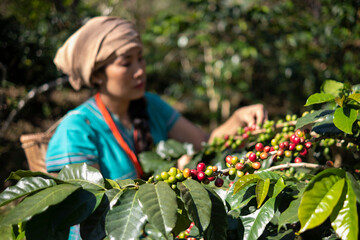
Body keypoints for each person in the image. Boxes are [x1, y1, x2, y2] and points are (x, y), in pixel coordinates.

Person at [45, 16, 267, 239]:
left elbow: (207, 145)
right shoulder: (76, 131)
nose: (140, 70)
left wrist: (238, 119)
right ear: (96, 75)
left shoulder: (151, 106)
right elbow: (87, 218)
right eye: (126, 63)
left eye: (140, 59)